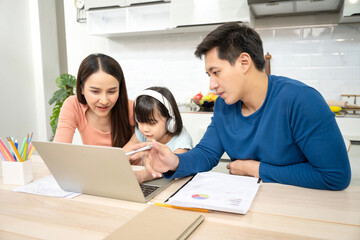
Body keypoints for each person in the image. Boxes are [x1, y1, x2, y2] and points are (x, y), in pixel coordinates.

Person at [130, 23, 351, 190]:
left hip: (298, 206)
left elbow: (335, 175)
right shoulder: (225, 106)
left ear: (244, 62)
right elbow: (207, 154)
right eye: (209, 75)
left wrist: (257, 169)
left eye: (216, 72)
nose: (212, 84)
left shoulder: (302, 101)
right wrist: (174, 161)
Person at [54, 53, 134, 149]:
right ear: (81, 88)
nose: (104, 101)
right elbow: (59, 148)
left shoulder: (131, 108)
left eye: (112, 91)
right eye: (95, 91)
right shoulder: (73, 105)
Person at [124, 86, 193, 183]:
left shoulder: (182, 142)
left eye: (152, 123)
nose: (144, 129)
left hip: (172, 185)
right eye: (140, 122)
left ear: (170, 122)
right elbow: (124, 154)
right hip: (150, 183)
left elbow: (166, 168)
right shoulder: (142, 133)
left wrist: (141, 176)